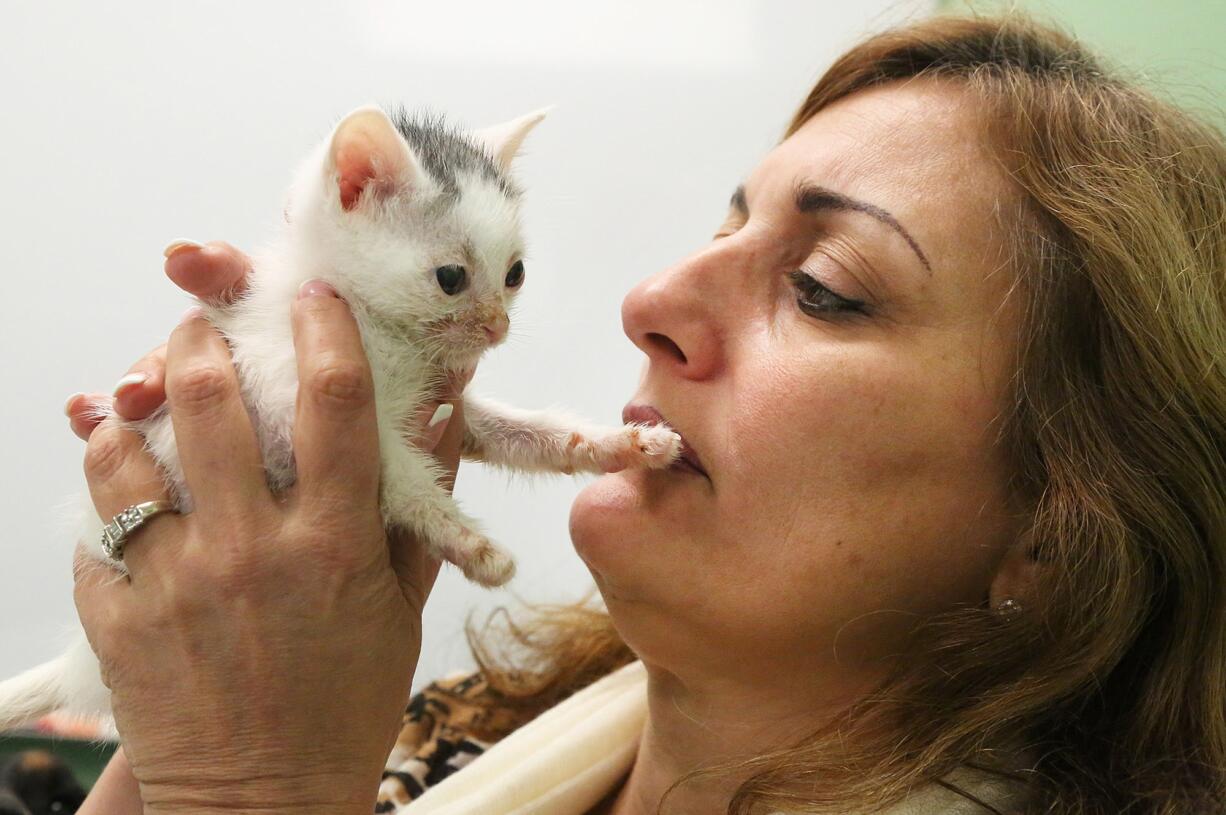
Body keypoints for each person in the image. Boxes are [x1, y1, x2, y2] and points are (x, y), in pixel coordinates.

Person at [63, 13, 1223, 815]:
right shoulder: (455, 726)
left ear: (1057, 539)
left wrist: (253, 785)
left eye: (824, 287)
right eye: (724, 228)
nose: (649, 299)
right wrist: (199, 673)